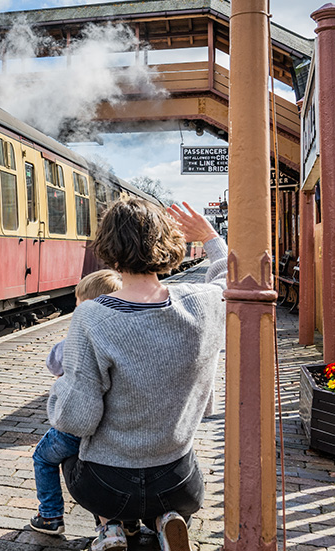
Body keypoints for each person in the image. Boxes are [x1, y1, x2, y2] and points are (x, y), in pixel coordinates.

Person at [48, 198, 226, 551]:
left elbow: (77, 418)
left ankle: (110, 530)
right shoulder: (202, 302)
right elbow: (231, 277)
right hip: (179, 480)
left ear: (109, 248)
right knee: (166, 493)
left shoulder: (93, 317)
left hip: (107, 486)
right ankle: (167, 519)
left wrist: (58, 393)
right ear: (169, 242)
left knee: (62, 446)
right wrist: (208, 236)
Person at [29, 269, 123, 536]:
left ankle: (50, 516)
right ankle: (110, 523)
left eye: (79, 304)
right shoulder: (121, 337)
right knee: (100, 469)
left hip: (75, 427)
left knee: (43, 458)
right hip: (111, 428)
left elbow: (53, 363)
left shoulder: (77, 338)